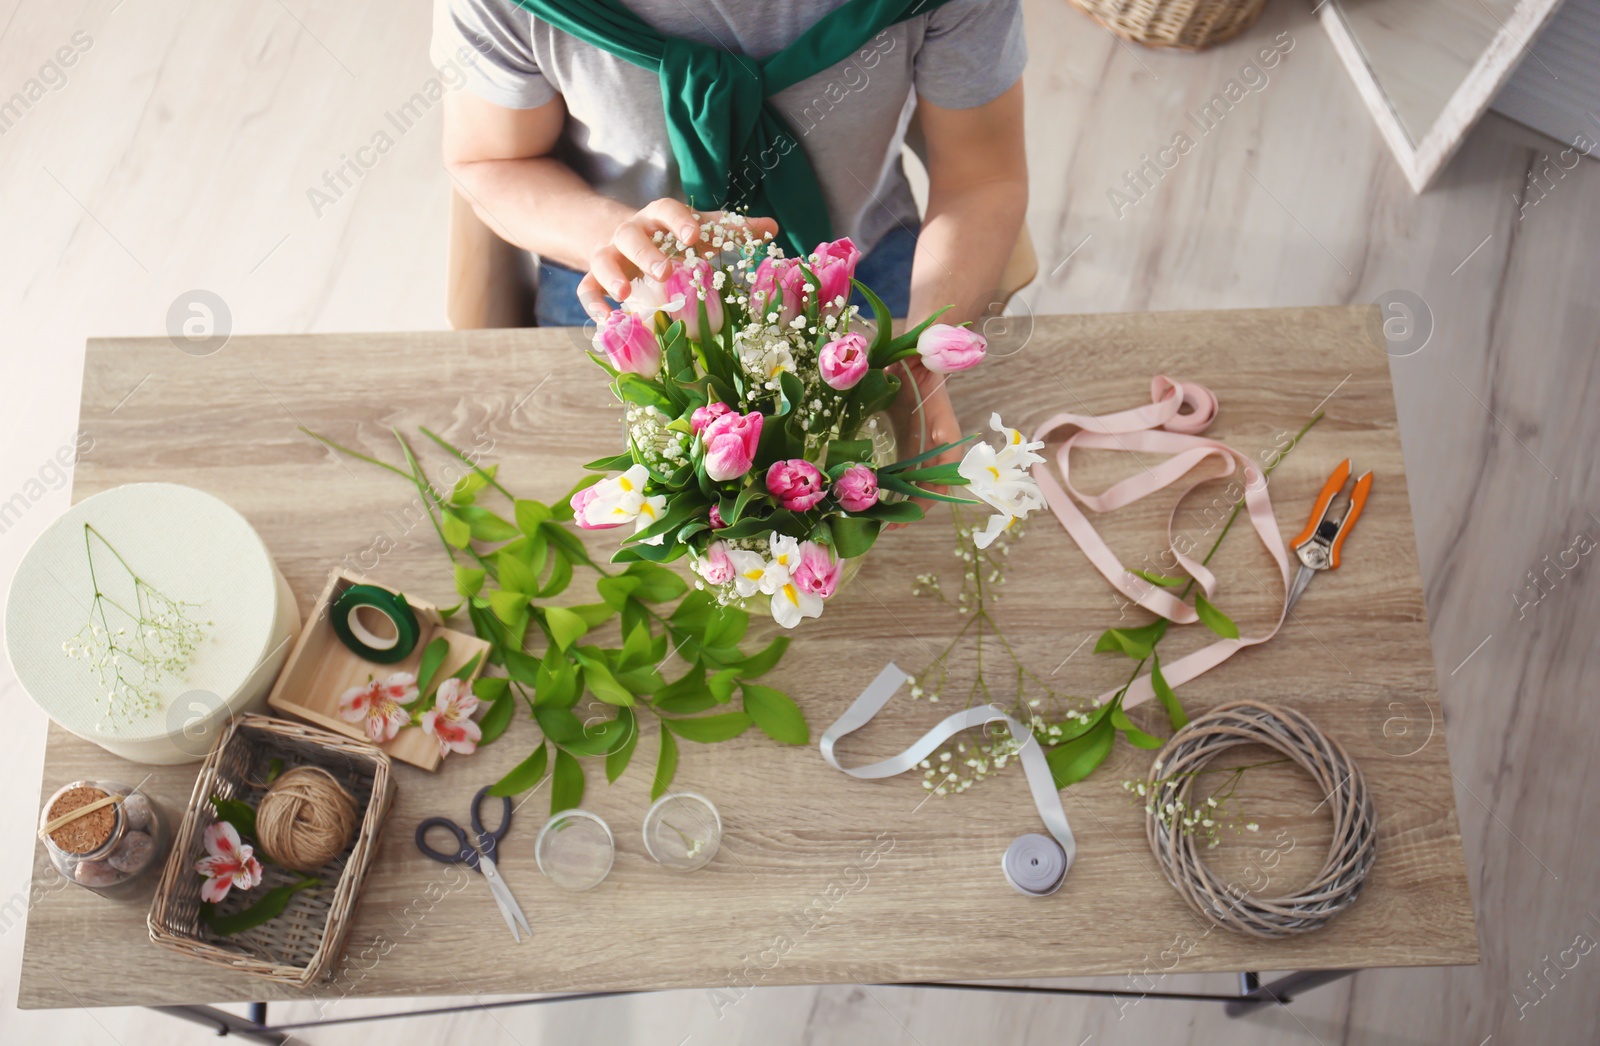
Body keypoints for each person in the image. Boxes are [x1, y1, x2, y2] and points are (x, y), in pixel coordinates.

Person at [435, 0, 1027, 468]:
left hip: (864, 264)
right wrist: (615, 235)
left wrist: (921, 347)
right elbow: (491, 160)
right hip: (623, 281)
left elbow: (982, 176)